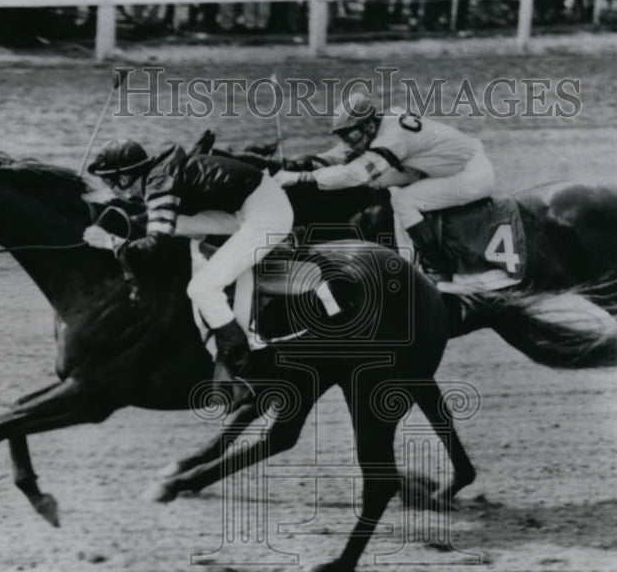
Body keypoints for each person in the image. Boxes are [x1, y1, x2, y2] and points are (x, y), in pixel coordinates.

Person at [82, 139, 294, 399]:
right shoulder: (157, 175)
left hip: (266, 214)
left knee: (202, 289)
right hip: (248, 204)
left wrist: (111, 243)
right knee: (176, 224)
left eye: (110, 182)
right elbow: (160, 224)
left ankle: (247, 372)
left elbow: (153, 247)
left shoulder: (160, 185)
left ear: (125, 178)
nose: (112, 190)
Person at [274, 92, 496, 280]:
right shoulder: (385, 119)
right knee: (379, 185)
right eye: (343, 136)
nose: (348, 142)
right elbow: (342, 154)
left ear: (369, 126)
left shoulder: (392, 138)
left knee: (403, 200)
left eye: (350, 134)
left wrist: (302, 178)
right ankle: (408, 255)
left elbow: (357, 173)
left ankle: (435, 267)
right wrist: (309, 162)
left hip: (471, 173)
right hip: (437, 166)